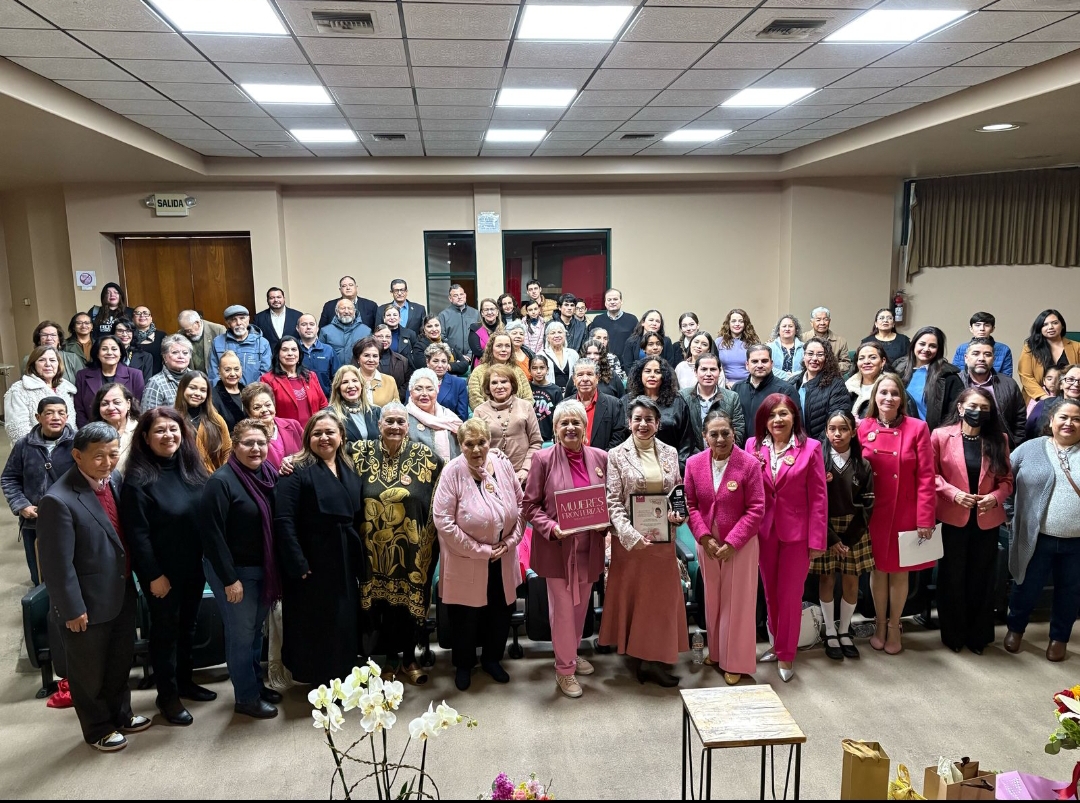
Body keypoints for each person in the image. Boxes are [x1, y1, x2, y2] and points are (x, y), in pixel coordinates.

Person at [38, 421, 152, 751]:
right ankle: (97, 727)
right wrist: (72, 609)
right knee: (89, 672)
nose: (107, 462)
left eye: (113, 454)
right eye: (98, 456)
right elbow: (57, 566)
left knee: (119, 661)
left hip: (119, 592)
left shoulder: (113, 479)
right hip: (85, 603)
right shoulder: (58, 500)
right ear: (77, 455)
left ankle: (121, 713)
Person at [120, 407, 214, 726]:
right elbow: (138, 535)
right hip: (162, 574)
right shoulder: (137, 480)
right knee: (165, 634)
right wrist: (153, 576)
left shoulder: (191, 468)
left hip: (193, 567)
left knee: (187, 628)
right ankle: (167, 697)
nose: (168, 436)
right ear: (145, 438)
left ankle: (185, 682)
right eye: (159, 431)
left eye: (173, 429)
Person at [350, 402, 445, 683]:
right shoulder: (358, 454)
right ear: (379, 425)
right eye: (389, 421)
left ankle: (410, 658)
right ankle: (390, 659)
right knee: (383, 606)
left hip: (413, 551)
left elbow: (441, 496)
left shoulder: (426, 457)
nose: (395, 427)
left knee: (408, 606)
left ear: (408, 426)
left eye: (400, 422)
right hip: (372, 551)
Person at [523, 399, 609, 698]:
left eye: (576, 423)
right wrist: (552, 528)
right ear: (556, 429)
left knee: (580, 607)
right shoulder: (543, 459)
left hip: (590, 547)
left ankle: (570, 653)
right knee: (562, 609)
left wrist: (606, 523)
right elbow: (530, 506)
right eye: (564, 423)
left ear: (585, 428)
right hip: (558, 548)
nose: (570, 428)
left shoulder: (600, 457)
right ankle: (564, 670)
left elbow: (608, 501)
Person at [602, 396, 688, 686]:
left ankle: (653, 659)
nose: (643, 424)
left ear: (657, 423)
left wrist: (678, 515)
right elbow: (612, 501)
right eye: (637, 419)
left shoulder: (670, 452)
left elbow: (676, 491)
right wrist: (630, 535)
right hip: (631, 544)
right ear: (629, 422)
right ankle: (640, 658)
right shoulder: (615, 454)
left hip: (662, 540)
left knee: (660, 602)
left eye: (649, 419)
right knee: (637, 601)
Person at [274, 409, 364, 685]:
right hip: (311, 559)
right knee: (315, 621)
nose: (324, 438)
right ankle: (319, 679)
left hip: (344, 557)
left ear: (342, 437)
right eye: (317, 433)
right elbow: (283, 519)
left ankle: (343, 672)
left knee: (343, 618)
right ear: (307, 438)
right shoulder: (296, 469)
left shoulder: (349, 466)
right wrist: (297, 562)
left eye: (330, 432)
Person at [433, 418, 524, 690]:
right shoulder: (452, 472)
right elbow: (443, 521)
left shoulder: (503, 465)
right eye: (468, 444)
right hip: (467, 559)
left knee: (500, 610)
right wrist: (482, 550)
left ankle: (492, 659)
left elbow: (521, 505)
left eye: (481, 442)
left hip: (503, 556)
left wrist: (509, 542)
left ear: (490, 441)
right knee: (465, 616)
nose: (476, 449)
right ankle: (464, 664)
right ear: (460, 445)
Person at [200, 418, 282, 718]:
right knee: (241, 636)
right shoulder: (221, 482)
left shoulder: (268, 474)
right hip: (234, 573)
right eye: (248, 443)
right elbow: (211, 536)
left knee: (254, 633)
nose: (256, 448)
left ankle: (255, 685)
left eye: (261, 442)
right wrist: (229, 579)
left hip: (262, 569)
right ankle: (246, 698)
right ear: (235, 446)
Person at [745, 394, 827, 682]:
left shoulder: (811, 448)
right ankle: (777, 644)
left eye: (783, 414)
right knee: (769, 594)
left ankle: (787, 654)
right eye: (771, 415)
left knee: (790, 595)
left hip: (797, 535)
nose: (777, 420)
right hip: (764, 532)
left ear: (794, 417)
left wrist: (817, 541)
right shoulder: (753, 446)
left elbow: (819, 498)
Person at [857, 373, 936, 655]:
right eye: (883, 392)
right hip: (874, 512)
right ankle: (878, 623)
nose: (888, 398)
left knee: (900, 574)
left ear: (902, 398)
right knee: (878, 571)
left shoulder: (918, 428)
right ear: (874, 397)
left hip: (905, 511)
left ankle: (894, 626)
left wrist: (925, 517)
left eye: (894, 393)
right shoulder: (862, 427)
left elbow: (927, 476)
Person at [685, 410, 765, 685]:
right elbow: (691, 505)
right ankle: (717, 653)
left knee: (738, 603)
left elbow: (756, 509)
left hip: (739, 543)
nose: (720, 439)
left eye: (725, 433)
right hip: (707, 541)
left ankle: (736, 661)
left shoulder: (749, 464)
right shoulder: (694, 464)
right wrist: (704, 538)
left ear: (734, 434)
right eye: (714, 434)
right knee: (713, 599)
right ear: (705, 436)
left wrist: (733, 542)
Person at [932, 388, 1013, 654]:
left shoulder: (998, 439)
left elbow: (1007, 481)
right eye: (973, 406)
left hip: (986, 520)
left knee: (981, 577)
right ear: (960, 408)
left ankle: (978, 636)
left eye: (985, 408)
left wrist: (995, 497)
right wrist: (953, 494)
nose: (978, 412)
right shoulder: (941, 436)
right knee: (952, 577)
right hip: (952, 517)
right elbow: (931, 476)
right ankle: (953, 635)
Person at [1004, 398, 1080, 663]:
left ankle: (1059, 638)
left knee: (1070, 592)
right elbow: (1003, 480)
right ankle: (1015, 628)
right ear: (1051, 420)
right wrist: (1010, 514)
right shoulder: (1030, 449)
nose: (1069, 423)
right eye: (1064, 417)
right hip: (1035, 538)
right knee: (1025, 586)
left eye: (1076, 418)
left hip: (1076, 542)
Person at [810, 410, 876, 662]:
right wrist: (831, 538)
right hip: (825, 528)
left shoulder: (863, 464)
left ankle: (845, 629)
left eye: (844, 429)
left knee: (851, 581)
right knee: (826, 580)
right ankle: (830, 630)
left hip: (853, 531)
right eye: (832, 429)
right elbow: (813, 502)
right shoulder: (819, 462)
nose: (837, 434)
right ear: (826, 431)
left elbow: (868, 503)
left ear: (853, 432)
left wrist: (846, 540)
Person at [1, 396, 75, 585]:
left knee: (72, 568)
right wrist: (21, 505)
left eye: (60, 413)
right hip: (34, 522)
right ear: (38, 417)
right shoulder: (24, 445)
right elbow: (9, 478)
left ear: (67, 417)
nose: (55, 417)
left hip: (71, 520)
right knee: (40, 571)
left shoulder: (79, 443)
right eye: (49, 413)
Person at [624, 356, 697, 471]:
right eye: (647, 371)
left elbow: (687, 441)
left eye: (657, 372)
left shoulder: (677, 402)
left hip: (671, 466)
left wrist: (678, 466)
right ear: (640, 374)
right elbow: (620, 437)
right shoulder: (626, 401)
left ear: (664, 376)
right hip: (633, 468)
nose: (652, 375)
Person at [474, 365, 542, 483]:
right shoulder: (479, 411)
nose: (499, 386)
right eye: (494, 383)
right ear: (488, 387)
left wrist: (525, 470)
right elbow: (477, 447)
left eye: (504, 381)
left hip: (525, 475)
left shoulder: (525, 406)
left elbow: (535, 442)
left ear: (512, 384)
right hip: (493, 476)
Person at [959, 336, 1027, 448]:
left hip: (999, 447)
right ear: (966, 358)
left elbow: (1020, 419)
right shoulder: (955, 382)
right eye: (976, 353)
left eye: (987, 354)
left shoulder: (1009, 384)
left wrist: (1015, 445)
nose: (981, 358)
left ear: (993, 359)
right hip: (961, 447)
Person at [894, 326, 963, 431]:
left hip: (929, 436)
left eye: (932, 346)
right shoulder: (898, 368)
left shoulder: (949, 376)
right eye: (922, 344)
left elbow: (955, 414)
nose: (926, 349)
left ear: (938, 349)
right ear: (914, 344)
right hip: (899, 433)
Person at [5, 346, 77, 442]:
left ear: (58, 364)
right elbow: (17, 430)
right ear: (33, 364)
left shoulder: (66, 389)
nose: (48, 364)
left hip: (67, 449)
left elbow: (72, 425)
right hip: (35, 451)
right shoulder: (18, 390)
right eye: (42, 360)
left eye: (52, 360)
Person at [74, 336, 145, 426]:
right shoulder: (82, 375)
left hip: (126, 430)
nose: (109, 352)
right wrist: (87, 433)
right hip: (92, 431)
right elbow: (79, 410)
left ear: (121, 353)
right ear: (97, 353)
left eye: (114, 349)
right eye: (104, 349)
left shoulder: (135, 375)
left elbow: (138, 408)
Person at [258, 335, 328, 427]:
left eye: (294, 349)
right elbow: (267, 412)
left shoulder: (311, 376)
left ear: (299, 353)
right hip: (286, 434)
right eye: (285, 350)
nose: (290, 353)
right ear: (278, 354)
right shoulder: (268, 380)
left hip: (313, 432)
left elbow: (323, 405)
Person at [681, 353, 746, 447]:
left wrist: (726, 452)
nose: (708, 374)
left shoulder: (732, 397)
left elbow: (738, 429)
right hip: (691, 456)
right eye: (703, 369)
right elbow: (681, 431)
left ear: (719, 372)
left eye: (713, 369)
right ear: (695, 372)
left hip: (724, 454)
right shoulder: (683, 396)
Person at [794, 337, 852, 441]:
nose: (814, 358)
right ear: (804, 356)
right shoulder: (793, 383)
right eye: (810, 354)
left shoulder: (836, 384)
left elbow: (836, 422)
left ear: (827, 358)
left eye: (820, 354)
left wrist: (815, 447)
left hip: (822, 447)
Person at [1018, 308, 1080, 404]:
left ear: (1062, 325)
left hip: (1072, 398)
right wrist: (1045, 398)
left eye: (1055, 323)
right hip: (1039, 399)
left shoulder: (1077, 347)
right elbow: (1025, 376)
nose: (1050, 327)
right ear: (1040, 329)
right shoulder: (1030, 347)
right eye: (1045, 324)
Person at [732, 345, 799, 431]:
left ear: (771, 364)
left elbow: (796, 425)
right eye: (755, 361)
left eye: (764, 361)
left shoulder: (786, 390)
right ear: (747, 365)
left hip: (772, 443)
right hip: (743, 444)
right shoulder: (737, 388)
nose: (760, 365)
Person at [175, 371, 232, 473]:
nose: (197, 393)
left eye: (203, 390)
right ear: (182, 388)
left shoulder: (216, 420)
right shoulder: (172, 420)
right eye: (192, 388)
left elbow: (227, 451)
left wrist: (221, 477)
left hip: (213, 479)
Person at [240, 382, 304, 473]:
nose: (264, 410)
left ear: (274, 405)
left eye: (268, 405)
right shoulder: (247, 438)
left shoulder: (293, 425)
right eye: (257, 407)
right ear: (249, 413)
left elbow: (310, 450)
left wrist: (294, 458)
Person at [566, 359, 628, 451]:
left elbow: (618, 438)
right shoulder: (564, 406)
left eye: (590, 374)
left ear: (597, 378)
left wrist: (601, 459)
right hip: (571, 461)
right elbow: (559, 437)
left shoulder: (615, 405)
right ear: (574, 380)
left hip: (604, 461)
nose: (585, 379)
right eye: (580, 375)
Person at [405, 368, 463, 461]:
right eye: (418, 389)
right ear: (411, 393)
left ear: (436, 392)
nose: (424, 393)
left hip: (450, 472)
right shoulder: (403, 418)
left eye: (430, 389)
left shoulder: (449, 416)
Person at [208, 305, 272, 386]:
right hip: (226, 395)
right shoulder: (218, 342)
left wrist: (252, 393)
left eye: (242, 318)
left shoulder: (262, 343)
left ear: (248, 319)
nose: (239, 323)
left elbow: (266, 374)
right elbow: (213, 374)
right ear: (228, 323)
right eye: (234, 320)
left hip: (254, 394)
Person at [469, 332, 534, 411]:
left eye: (507, 346)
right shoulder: (478, 372)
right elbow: (475, 400)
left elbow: (528, 399)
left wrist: (513, 415)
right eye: (499, 346)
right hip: (487, 419)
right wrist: (496, 416)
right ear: (491, 348)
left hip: (517, 418)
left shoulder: (518, 371)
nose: (504, 350)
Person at [91, 383, 140, 471]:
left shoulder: (140, 430)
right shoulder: (92, 433)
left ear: (128, 404)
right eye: (105, 404)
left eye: (117, 402)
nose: (110, 408)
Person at [951, 311, 1013, 377]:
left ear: (992, 329)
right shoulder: (962, 348)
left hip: (995, 386)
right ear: (971, 329)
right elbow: (955, 376)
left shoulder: (1004, 349)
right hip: (965, 386)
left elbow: (1007, 379)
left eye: (987, 325)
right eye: (977, 325)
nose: (982, 329)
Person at [1028, 363, 1080, 442]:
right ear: (1061, 385)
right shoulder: (1043, 404)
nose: (1076, 384)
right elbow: (1028, 433)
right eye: (1070, 379)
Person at [328, 365, 381, 441]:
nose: (351, 386)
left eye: (355, 381)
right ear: (338, 388)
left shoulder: (376, 411)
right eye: (345, 382)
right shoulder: (330, 414)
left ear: (361, 385)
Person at [141, 334, 194, 409]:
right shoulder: (155, 383)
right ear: (164, 357)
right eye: (175, 352)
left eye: (185, 353)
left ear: (190, 356)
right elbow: (147, 417)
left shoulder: (198, 378)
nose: (181, 356)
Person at [317, 299, 371, 369]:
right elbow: (321, 358)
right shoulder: (325, 331)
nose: (346, 311)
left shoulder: (366, 331)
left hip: (359, 376)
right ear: (336, 311)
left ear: (354, 311)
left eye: (350, 308)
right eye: (342, 308)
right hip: (334, 376)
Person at [295, 313, 338, 398]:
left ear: (317, 328)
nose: (308, 327)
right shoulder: (293, 350)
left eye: (312, 324)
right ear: (297, 328)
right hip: (299, 400)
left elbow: (337, 378)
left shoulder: (328, 350)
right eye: (304, 324)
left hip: (325, 400)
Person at [588, 288, 637, 360]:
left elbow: (636, 344)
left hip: (626, 364)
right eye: (609, 300)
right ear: (605, 303)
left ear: (621, 301)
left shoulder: (632, 320)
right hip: (603, 363)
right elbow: (591, 343)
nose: (612, 302)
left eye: (615, 299)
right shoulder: (598, 320)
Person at [716, 308, 760, 388]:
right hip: (724, 385)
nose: (737, 324)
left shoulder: (753, 343)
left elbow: (758, 366)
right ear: (728, 323)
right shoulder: (719, 342)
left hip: (749, 385)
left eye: (741, 321)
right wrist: (725, 382)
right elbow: (715, 365)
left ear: (745, 324)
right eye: (733, 321)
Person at [425, 342, 468, 422]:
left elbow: (462, 417)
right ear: (428, 362)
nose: (440, 365)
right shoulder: (417, 381)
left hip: (450, 430)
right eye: (435, 361)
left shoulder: (459, 384)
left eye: (444, 361)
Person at [438, 284, 481, 364]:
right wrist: (458, 355)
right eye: (455, 295)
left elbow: (479, 336)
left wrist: (470, 354)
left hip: (474, 358)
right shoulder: (443, 315)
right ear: (450, 299)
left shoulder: (475, 313)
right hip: (453, 359)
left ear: (465, 295)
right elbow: (442, 338)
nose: (459, 297)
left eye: (461, 294)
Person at [846, 342, 889, 419]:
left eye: (872, 357)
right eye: (861, 358)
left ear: (883, 361)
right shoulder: (847, 387)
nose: (866, 362)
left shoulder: (891, 388)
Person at [353, 336, 399, 408]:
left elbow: (397, 409)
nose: (371, 360)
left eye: (375, 356)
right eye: (366, 355)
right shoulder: (349, 380)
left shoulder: (390, 381)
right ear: (358, 358)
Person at [804, 307, 851, 375]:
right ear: (811, 322)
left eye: (825, 319)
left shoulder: (840, 341)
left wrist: (829, 368)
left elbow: (846, 364)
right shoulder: (803, 338)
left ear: (829, 321)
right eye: (818, 320)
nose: (822, 323)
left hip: (832, 377)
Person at [177, 310, 226, 376]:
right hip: (193, 378)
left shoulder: (218, 330)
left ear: (197, 323)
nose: (187, 334)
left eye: (189, 330)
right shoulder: (180, 334)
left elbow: (227, 356)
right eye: (184, 330)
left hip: (216, 377)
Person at [371, 323, 412, 402]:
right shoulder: (365, 358)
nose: (384, 339)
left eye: (388, 337)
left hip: (396, 403)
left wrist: (395, 397)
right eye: (380, 336)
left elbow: (408, 382)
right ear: (373, 337)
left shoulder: (403, 360)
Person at [529, 354, 563, 443]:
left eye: (542, 368)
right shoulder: (526, 388)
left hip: (548, 437)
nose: (538, 371)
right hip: (529, 435)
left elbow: (559, 415)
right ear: (529, 370)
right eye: (534, 368)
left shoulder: (556, 390)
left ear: (547, 370)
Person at [540, 321, 579, 394]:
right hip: (550, 394)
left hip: (571, 394)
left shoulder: (573, 354)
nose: (557, 335)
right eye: (553, 333)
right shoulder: (541, 355)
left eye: (560, 332)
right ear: (547, 337)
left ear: (564, 335)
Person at [211, 351, 246, 432]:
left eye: (236, 369)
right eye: (227, 370)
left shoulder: (248, 393)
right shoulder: (212, 396)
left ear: (241, 370)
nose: (233, 374)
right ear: (219, 372)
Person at [767, 314, 805, 382]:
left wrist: (795, 375)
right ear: (778, 330)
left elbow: (807, 367)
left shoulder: (805, 347)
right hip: (774, 384)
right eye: (784, 326)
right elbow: (767, 366)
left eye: (790, 326)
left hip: (798, 384)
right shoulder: (769, 347)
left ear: (796, 330)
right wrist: (786, 376)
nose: (787, 329)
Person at [468, 298, 503, 367]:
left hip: (501, 366)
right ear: (482, 313)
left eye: (492, 309)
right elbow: (477, 351)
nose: (489, 312)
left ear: (497, 312)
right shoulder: (475, 328)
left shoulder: (504, 328)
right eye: (486, 310)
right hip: (481, 366)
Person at [131, 306, 167, 374]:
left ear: (151, 318)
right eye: (138, 313)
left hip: (157, 378)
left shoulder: (162, 336)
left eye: (146, 313)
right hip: (134, 378)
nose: (142, 315)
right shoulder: (127, 336)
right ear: (132, 319)